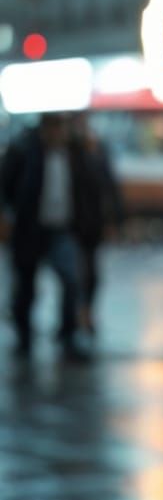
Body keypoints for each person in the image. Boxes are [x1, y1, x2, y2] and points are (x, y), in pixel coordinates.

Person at [0, 113, 90, 360]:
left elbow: (87, 188)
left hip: (62, 229)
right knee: (26, 286)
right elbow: (7, 186)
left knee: (70, 281)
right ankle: (24, 336)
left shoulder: (74, 155)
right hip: (30, 231)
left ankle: (67, 335)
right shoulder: (24, 153)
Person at [72, 120, 122, 339]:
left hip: (91, 226)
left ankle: (85, 312)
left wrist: (111, 221)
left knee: (90, 273)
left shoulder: (98, 159)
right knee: (77, 272)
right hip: (75, 224)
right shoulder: (73, 159)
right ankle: (78, 314)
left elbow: (110, 190)